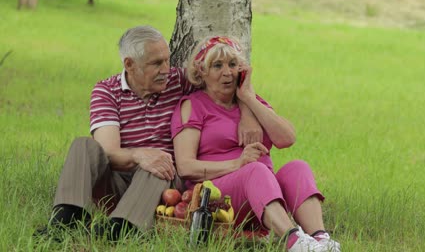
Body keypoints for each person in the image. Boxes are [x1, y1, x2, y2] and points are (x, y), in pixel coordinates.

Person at [34, 26, 262, 241]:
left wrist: (247, 114)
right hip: (115, 183)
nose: (166, 69)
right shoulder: (107, 91)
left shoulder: (179, 81)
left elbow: (226, 87)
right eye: (156, 63)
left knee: (160, 162)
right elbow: (109, 152)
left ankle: (123, 228)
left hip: (160, 187)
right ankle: (66, 221)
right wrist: (138, 155)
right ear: (130, 64)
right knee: (84, 145)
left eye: (167, 60)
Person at [171, 36, 341, 252]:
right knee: (255, 170)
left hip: (264, 194)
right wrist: (238, 163)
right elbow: (186, 167)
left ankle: (320, 240)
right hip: (217, 195)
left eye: (233, 65)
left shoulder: (250, 102)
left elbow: (287, 138)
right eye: (217, 65)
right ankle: (294, 243)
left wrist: (248, 97)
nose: (227, 72)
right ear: (201, 71)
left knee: (297, 167)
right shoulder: (192, 106)